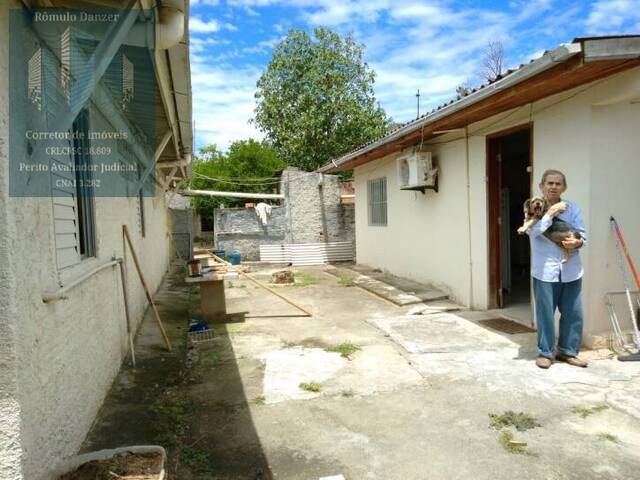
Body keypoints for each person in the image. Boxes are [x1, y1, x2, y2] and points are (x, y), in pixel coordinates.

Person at [526, 169, 588, 369]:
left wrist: (577, 243)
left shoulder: (573, 208)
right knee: (545, 313)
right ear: (541, 186)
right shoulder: (532, 206)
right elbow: (532, 231)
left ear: (564, 187)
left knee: (573, 312)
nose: (553, 187)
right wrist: (550, 214)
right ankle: (545, 352)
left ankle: (568, 351)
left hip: (571, 269)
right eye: (549, 183)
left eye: (558, 183)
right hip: (545, 270)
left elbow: (583, 235)